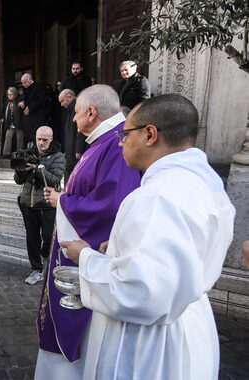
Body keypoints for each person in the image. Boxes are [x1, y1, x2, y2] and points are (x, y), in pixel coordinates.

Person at [61, 94, 236, 380]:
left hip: (150, 348)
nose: (121, 143)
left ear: (150, 134)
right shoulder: (206, 182)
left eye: (125, 134)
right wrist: (117, 250)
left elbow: (139, 293)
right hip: (192, 326)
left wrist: (86, 257)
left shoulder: (155, 198)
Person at [34, 84, 141, 379]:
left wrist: (63, 200)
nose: (73, 120)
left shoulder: (118, 144)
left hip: (91, 252)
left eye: (77, 113)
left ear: (91, 113)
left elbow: (110, 205)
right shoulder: (104, 141)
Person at [14, 126, 65, 285]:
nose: (41, 143)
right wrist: (22, 170)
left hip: (47, 204)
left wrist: (36, 170)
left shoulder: (58, 156)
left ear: (51, 139)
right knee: (32, 238)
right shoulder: (29, 153)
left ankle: (45, 255)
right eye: (39, 139)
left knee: (49, 237)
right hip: (28, 204)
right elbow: (18, 180)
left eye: (45, 140)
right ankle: (36, 269)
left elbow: (55, 180)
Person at [58, 89, 89, 183]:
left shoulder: (77, 108)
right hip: (71, 150)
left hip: (75, 151)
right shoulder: (70, 110)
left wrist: (79, 150)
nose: (61, 105)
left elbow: (80, 131)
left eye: (62, 101)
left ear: (70, 97)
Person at [19, 73, 49, 146]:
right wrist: (22, 103)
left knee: (35, 134)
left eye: (25, 82)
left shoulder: (39, 87)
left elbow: (40, 100)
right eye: (22, 83)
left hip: (37, 116)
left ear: (30, 79)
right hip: (28, 117)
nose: (24, 84)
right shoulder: (25, 89)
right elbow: (24, 99)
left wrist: (30, 107)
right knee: (27, 135)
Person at [1, 87, 23, 157]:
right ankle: (6, 153)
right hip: (10, 124)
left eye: (11, 94)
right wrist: (3, 118)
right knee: (8, 136)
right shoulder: (7, 102)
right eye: (8, 94)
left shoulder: (19, 101)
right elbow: (5, 111)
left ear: (15, 94)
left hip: (19, 124)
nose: (9, 96)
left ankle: (19, 154)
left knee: (19, 138)